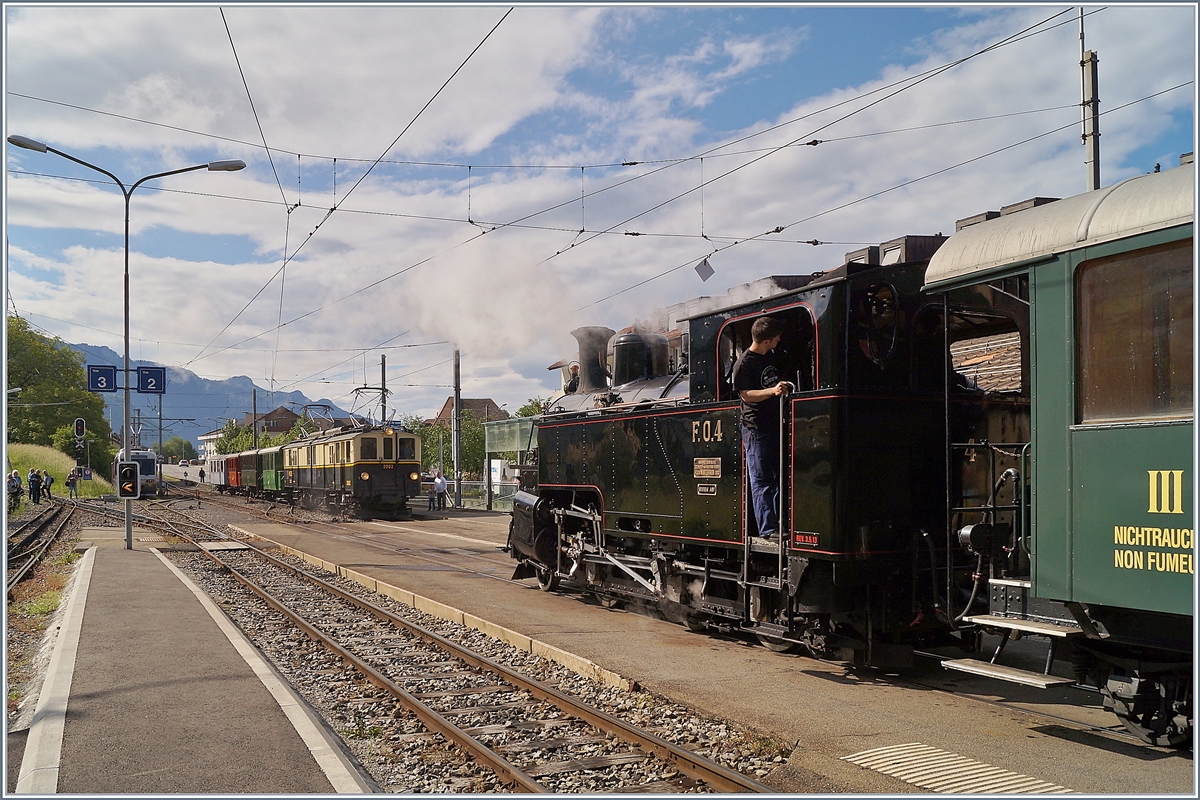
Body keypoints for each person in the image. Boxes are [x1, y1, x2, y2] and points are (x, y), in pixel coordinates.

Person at [730, 315, 793, 540]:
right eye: (776, 338)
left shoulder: (771, 356)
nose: (778, 341)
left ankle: (780, 523)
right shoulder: (744, 363)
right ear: (767, 340)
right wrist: (772, 391)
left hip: (774, 423)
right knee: (762, 478)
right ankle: (768, 528)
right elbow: (746, 395)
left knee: (777, 476)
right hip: (755, 427)